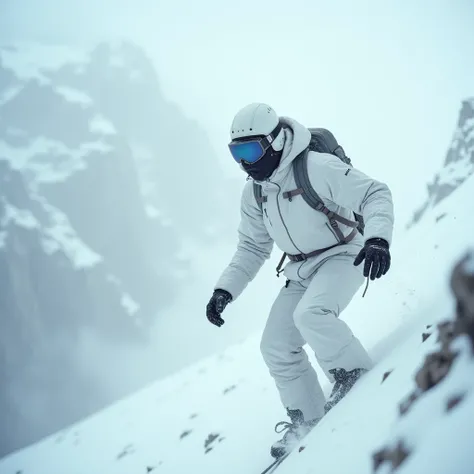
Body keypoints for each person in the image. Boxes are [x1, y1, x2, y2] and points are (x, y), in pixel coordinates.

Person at [206, 103, 394, 458]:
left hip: (344, 254)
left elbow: (374, 193)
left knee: (312, 314)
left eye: (251, 150)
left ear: (275, 142)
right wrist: (224, 289)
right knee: (275, 345)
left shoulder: (315, 167)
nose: (245, 162)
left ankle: (353, 374)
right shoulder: (256, 192)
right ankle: (307, 416)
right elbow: (251, 246)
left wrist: (378, 238)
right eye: (236, 152)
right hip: (302, 270)